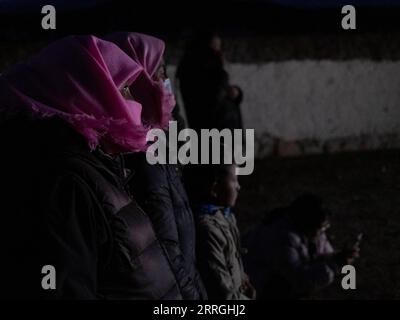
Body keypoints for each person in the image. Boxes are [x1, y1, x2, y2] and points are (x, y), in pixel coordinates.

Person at [0, 35, 182, 299]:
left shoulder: (96, 160)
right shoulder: (65, 180)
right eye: (123, 88)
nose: (133, 100)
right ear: (85, 90)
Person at [105, 32, 207, 300]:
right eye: (157, 71)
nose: (164, 82)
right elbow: (162, 244)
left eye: (164, 71)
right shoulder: (136, 153)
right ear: (134, 80)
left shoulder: (156, 139)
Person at [242, 194, 360, 300]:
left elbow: (320, 254)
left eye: (325, 227)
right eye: (320, 228)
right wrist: (334, 264)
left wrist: (337, 257)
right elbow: (298, 280)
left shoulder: (312, 230)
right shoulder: (281, 237)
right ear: (306, 223)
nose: (322, 232)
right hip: (256, 284)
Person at [185, 163, 256, 300]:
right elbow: (222, 293)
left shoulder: (226, 216)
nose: (238, 187)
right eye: (234, 180)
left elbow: (235, 260)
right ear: (214, 188)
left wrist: (244, 280)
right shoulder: (208, 231)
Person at [176, 30, 229, 132]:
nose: (219, 49)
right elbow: (215, 101)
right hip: (211, 126)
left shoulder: (187, 63)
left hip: (199, 125)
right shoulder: (211, 67)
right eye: (215, 46)